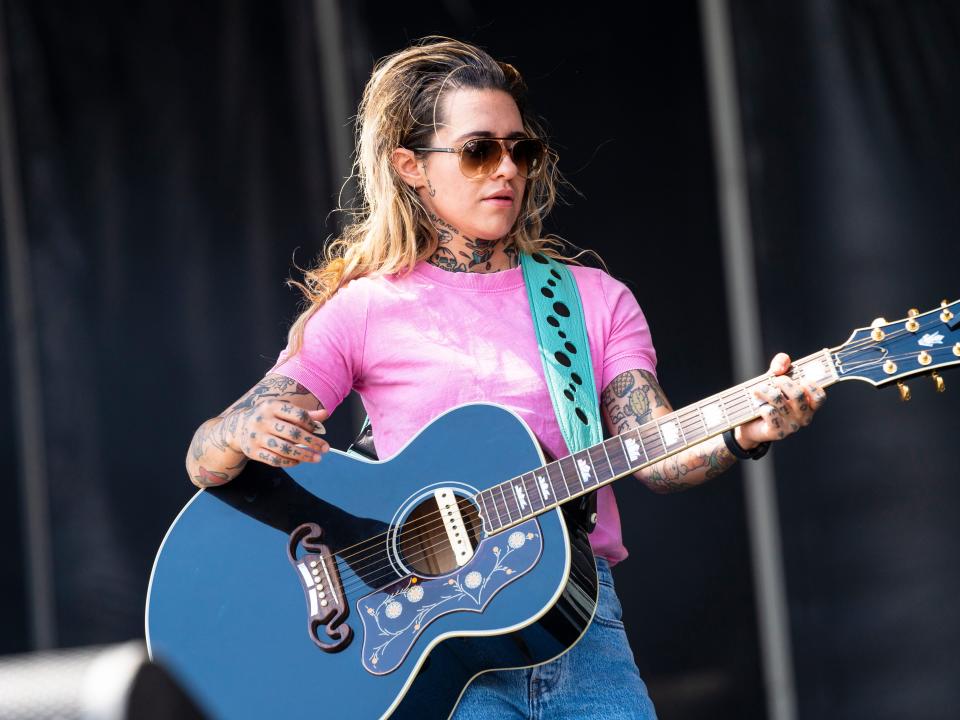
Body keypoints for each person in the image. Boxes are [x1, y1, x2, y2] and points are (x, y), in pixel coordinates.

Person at [185, 36, 825, 719]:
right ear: (412, 167)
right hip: (435, 650)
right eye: (478, 149)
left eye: (521, 151)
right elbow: (205, 458)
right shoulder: (366, 309)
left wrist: (745, 430)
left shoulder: (592, 301)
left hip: (582, 633)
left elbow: (655, 452)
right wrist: (240, 429)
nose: (507, 170)